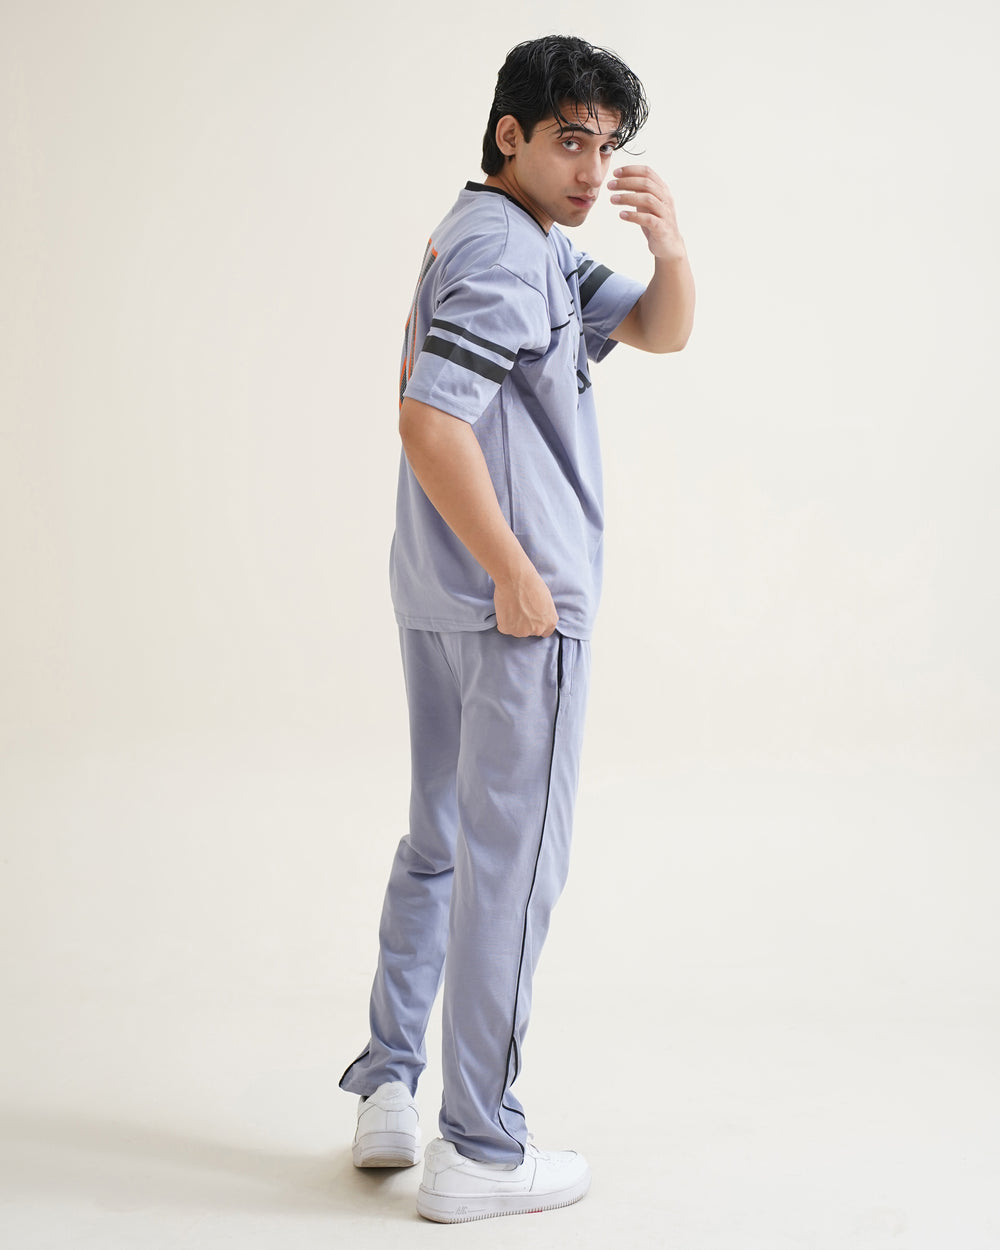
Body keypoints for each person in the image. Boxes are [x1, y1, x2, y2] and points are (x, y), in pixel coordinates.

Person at [340, 34, 695, 1224]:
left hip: (436, 588)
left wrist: (670, 246)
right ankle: (482, 1147)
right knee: (511, 865)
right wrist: (520, 575)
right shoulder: (508, 249)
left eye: (608, 145)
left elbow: (659, 330)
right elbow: (430, 423)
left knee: (440, 840)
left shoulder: (509, 232)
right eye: (570, 141)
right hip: (510, 609)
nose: (593, 169)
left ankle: (388, 1083)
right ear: (511, 135)